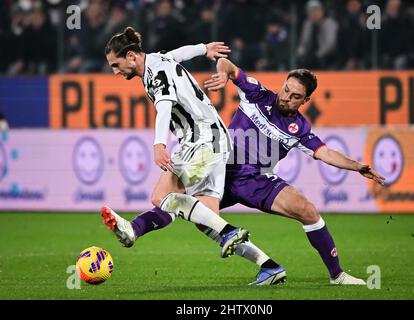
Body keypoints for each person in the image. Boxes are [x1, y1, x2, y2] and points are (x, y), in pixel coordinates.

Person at [202, 57, 385, 285]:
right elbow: (226, 64)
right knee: (190, 210)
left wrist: (356, 166)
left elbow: (324, 152)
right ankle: (267, 266)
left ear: (305, 100)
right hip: (222, 174)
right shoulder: (257, 94)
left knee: (308, 211)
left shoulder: (299, 128)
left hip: (257, 181)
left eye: (295, 96)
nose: (286, 97)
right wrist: (222, 74)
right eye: (286, 89)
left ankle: (337, 275)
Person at [101, 27, 251, 262]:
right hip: (203, 138)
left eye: (116, 65)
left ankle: (134, 229)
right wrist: (204, 49)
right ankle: (268, 266)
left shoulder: (156, 72)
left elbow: (164, 107)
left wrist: (159, 144)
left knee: (166, 198)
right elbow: (179, 54)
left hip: (204, 139)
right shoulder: (158, 61)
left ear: (131, 56)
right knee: (206, 219)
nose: (115, 72)